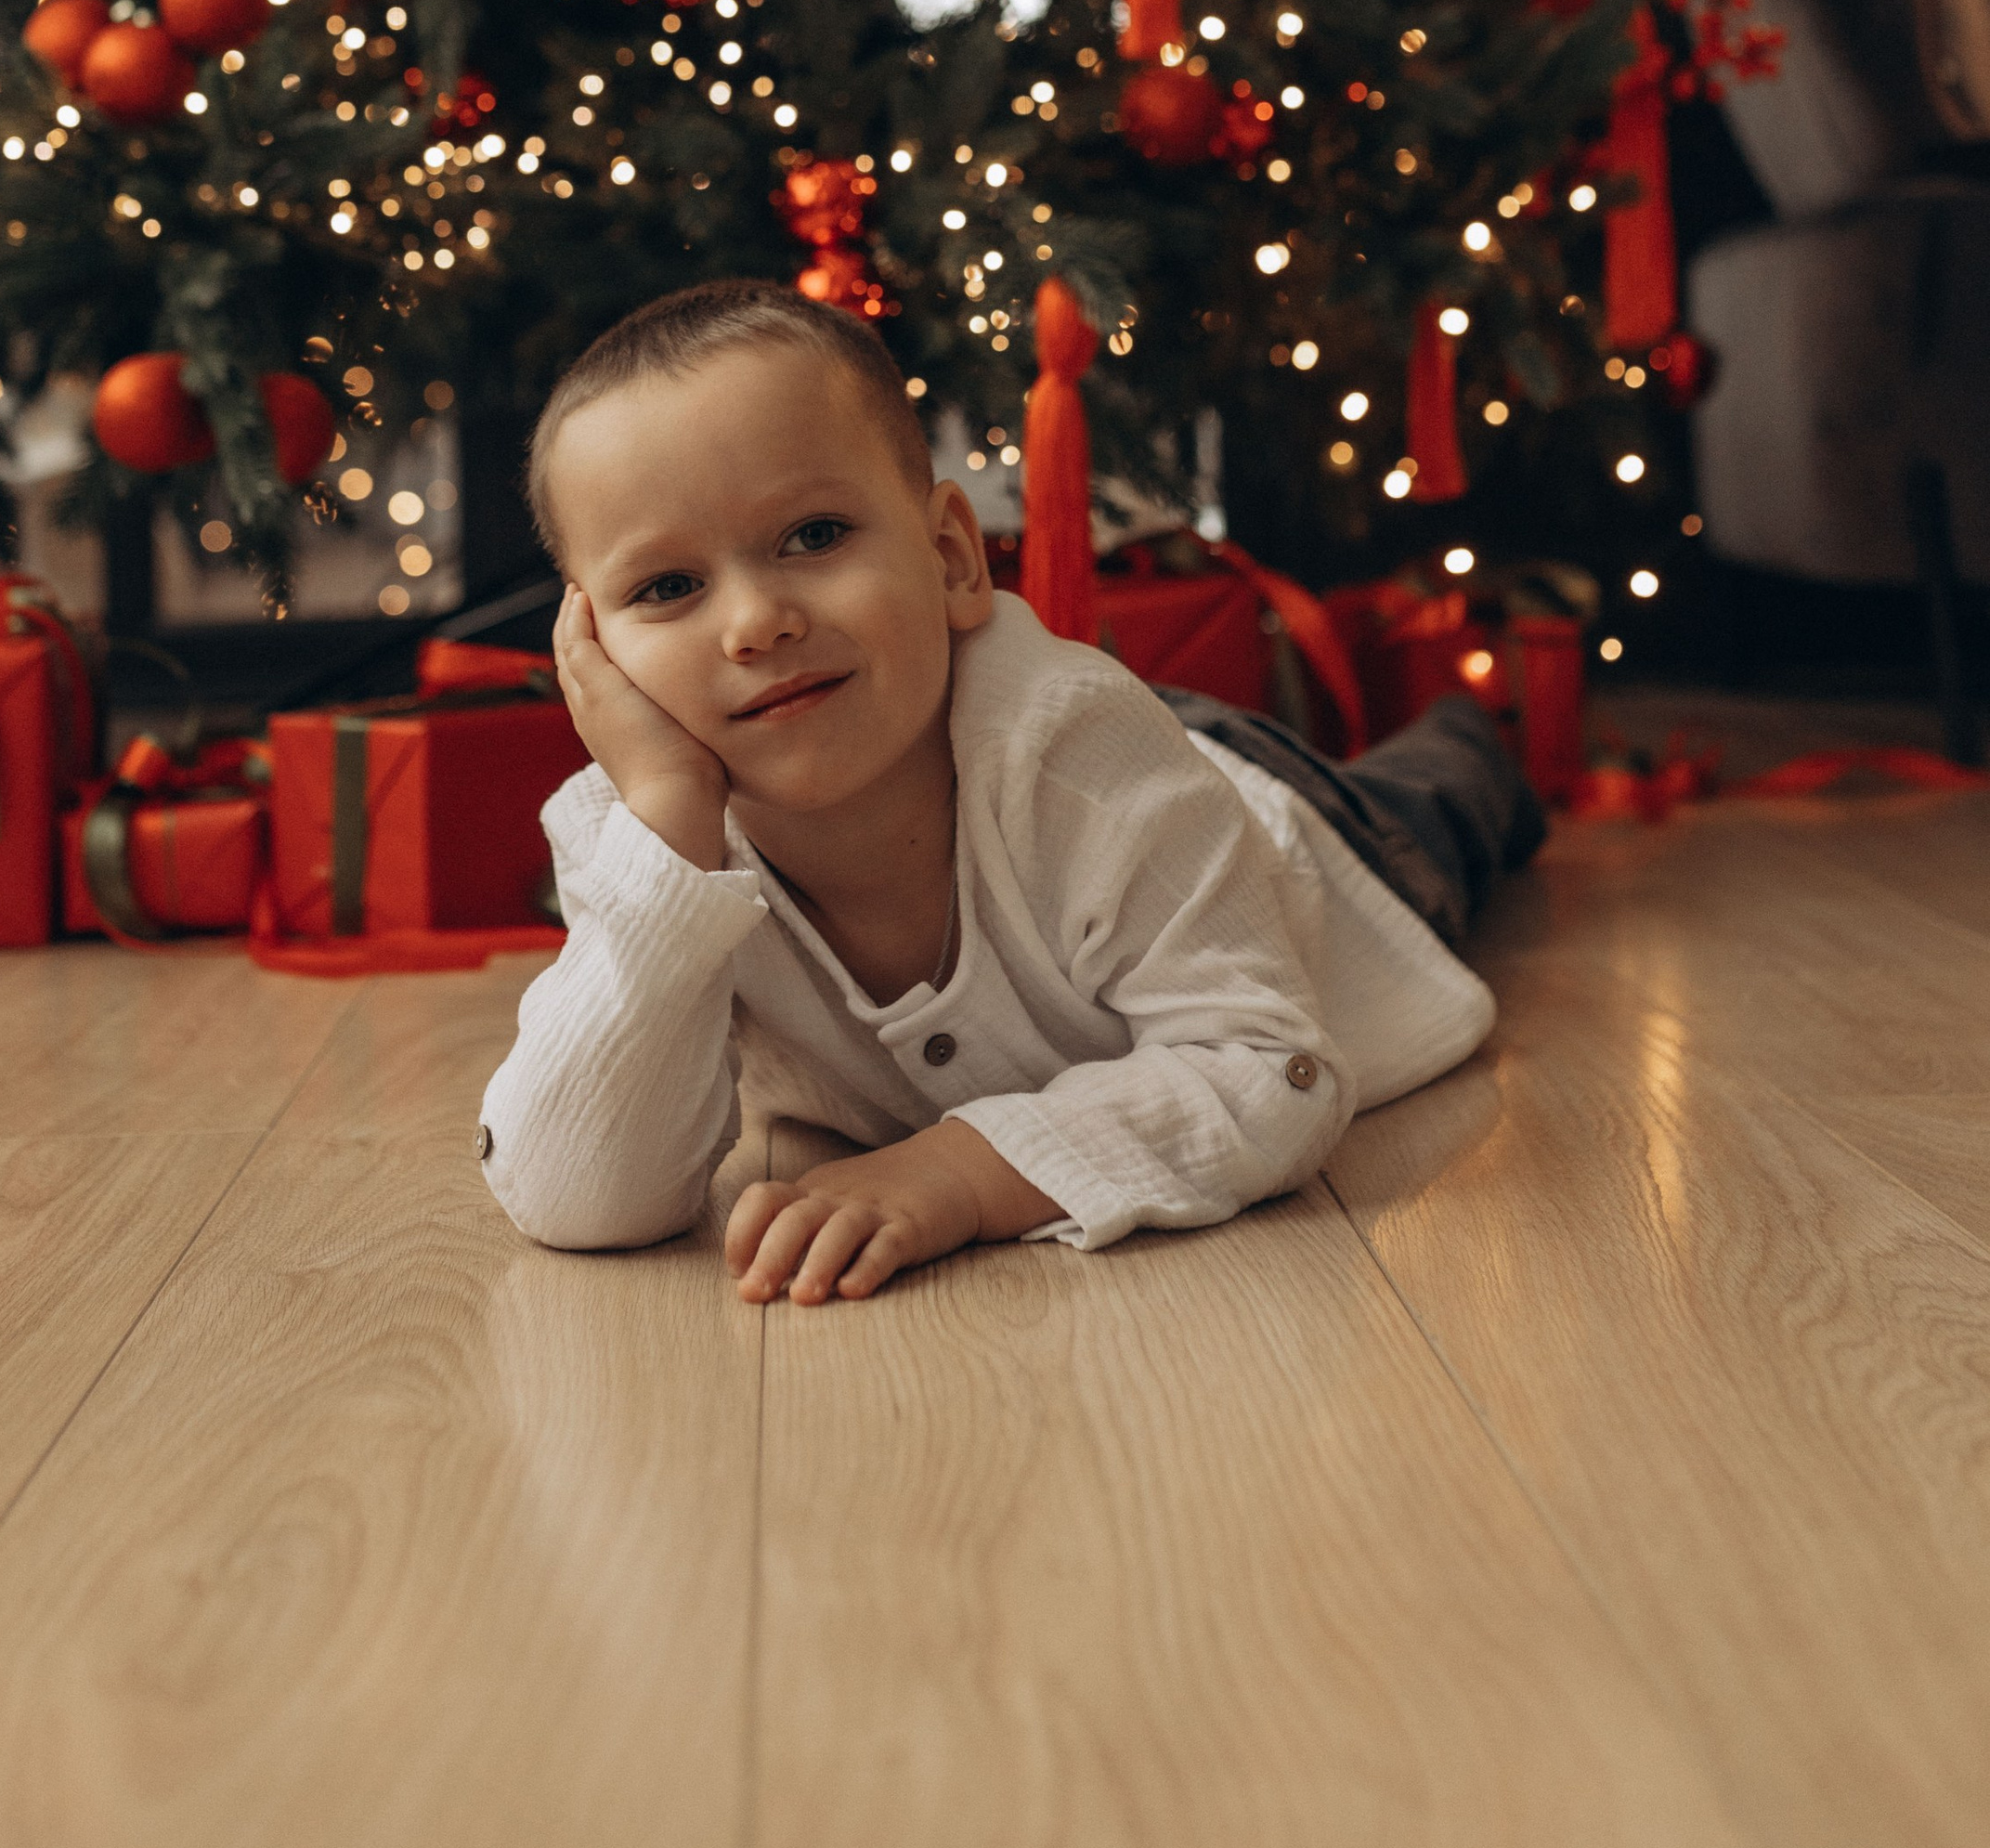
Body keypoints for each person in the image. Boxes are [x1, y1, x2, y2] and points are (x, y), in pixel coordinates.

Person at [479, 280, 1543, 1305]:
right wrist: (668, 829)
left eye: (814, 536)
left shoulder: (1074, 751)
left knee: (1439, 804)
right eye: (667, 587)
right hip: (1086, 754)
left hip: (1291, 830)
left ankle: (1475, 735)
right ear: (592, 650)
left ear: (950, 556)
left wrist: (956, 1172)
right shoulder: (638, 831)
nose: (755, 622)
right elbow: (579, 1195)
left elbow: (1267, 1069)